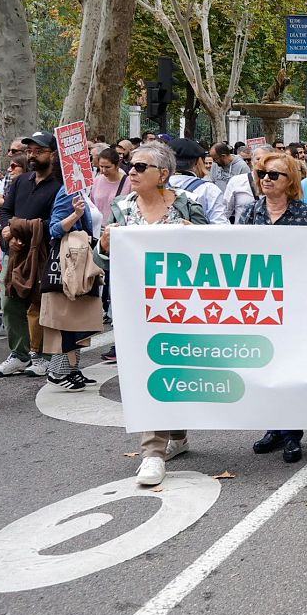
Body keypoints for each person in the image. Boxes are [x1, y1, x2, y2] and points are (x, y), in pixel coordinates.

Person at [97, 142, 207, 484]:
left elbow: (216, 250)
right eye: (131, 165)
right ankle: (152, 453)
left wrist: (198, 236)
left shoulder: (187, 206)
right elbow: (103, 258)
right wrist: (104, 244)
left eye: (140, 166)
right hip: (136, 309)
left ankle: (177, 436)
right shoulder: (120, 207)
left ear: (163, 174)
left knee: (175, 369)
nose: (131, 171)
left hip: (184, 305)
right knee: (149, 372)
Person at [238, 151, 307, 463]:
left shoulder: (305, 214)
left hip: (296, 303)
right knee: (265, 364)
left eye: (274, 175)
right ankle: (273, 428)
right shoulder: (249, 212)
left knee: (291, 368)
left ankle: (292, 434)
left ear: (290, 182)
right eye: (262, 175)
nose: (266, 180)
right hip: (259, 304)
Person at [0, 131, 62, 378]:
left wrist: (19, 229)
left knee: (41, 305)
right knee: (10, 303)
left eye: (38, 151)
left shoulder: (60, 186)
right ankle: (19, 354)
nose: (32, 155)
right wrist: (8, 231)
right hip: (16, 253)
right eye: (29, 151)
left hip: (45, 254)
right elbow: (6, 211)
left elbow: (55, 221)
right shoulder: (21, 181)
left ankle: (42, 356)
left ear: (53, 154)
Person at [42, 184, 104, 390]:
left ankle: (71, 368)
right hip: (71, 263)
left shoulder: (85, 189)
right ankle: (58, 371)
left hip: (83, 261)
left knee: (79, 317)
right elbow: (55, 229)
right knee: (67, 317)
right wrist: (76, 215)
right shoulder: (68, 190)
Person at [167, 139, 229, 224]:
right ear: (197, 162)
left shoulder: (155, 188)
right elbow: (221, 226)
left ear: (169, 162)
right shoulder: (209, 190)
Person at [220, 144, 274, 228]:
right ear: (252, 161)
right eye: (258, 159)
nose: (262, 162)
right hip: (242, 235)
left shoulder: (280, 182)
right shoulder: (236, 181)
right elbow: (224, 212)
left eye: (267, 159)